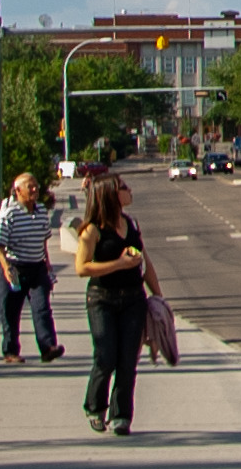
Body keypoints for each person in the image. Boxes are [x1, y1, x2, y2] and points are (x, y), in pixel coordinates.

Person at [74, 173, 152, 435]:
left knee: (128, 360)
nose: (129, 190)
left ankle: (121, 415)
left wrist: (159, 297)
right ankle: (95, 407)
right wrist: (118, 264)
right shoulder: (92, 230)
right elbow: (82, 267)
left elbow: (144, 261)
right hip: (102, 299)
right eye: (123, 187)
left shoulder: (131, 224)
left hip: (133, 298)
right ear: (110, 194)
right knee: (106, 355)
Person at [0, 175, 66, 367]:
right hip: (15, 267)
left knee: (42, 308)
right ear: (18, 191)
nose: (34, 190)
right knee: (11, 311)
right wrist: (6, 268)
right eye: (30, 187)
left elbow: (43, 240)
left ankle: (48, 347)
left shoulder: (40, 210)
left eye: (36, 186)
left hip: (37, 267)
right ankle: (10, 350)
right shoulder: (10, 213)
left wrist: (47, 263)